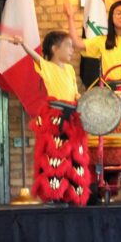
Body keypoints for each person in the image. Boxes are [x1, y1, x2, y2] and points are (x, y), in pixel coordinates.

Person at [13, 31, 90, 206]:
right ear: (55, 49)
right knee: (55, 155)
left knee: (73, 156)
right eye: (68, 46)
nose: (72, 50)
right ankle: (53, 194)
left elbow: (74, 92)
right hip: (56, 117)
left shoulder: (70, 69)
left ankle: (70, 195)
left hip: (72, 117)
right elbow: (35, 57)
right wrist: (23, 44)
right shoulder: (47, 66)